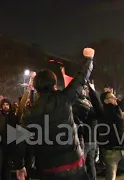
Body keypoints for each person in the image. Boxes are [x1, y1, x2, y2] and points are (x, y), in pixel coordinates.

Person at [14, 48, 95, 180]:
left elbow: (19, 140)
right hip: (75, 167)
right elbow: (81, 78)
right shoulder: (64, 98)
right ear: (54, 84)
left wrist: (19, 165)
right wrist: (89, 60)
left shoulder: (30, 113)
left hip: (50, 171)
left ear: (36, 88)